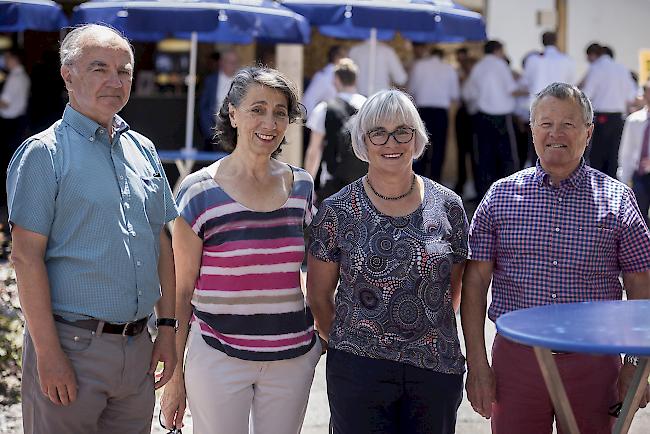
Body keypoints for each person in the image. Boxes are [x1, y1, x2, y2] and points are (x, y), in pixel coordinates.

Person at [7, 24, 178, 434]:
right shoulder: (43, 154)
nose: (115, 81)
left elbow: (161, 243)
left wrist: (168, 331)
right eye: (99, 68)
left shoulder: (143, 149)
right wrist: (48, 354)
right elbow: (25, 257)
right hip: (71, 348)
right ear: (68, 75)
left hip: (138, 351)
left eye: (124, 71)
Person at [461, 82, 650, 434]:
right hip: (516, 361)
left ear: (589, 132)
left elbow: (642, 286)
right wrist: (477, 364)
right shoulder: (500, 197)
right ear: (531, 129)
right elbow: (474, 286)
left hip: (595, 363)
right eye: (545, 124)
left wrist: (636, 366)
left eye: (568, 124)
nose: (555, 134)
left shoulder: (618, 200)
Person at [160, 66, 322, 433]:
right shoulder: (198, 191)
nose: (270, 121)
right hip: (217, 353)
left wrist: (321, 336)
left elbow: (320, 268)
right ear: (232, 113)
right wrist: (174, 378)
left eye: (280, 111)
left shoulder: (301, 186)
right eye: (257, 109)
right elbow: (181, 290)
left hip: (291, 356)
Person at [308, 89, 468, 433]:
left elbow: (451, 291)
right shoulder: (337, 210)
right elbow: (319, 297)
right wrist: (357, 343)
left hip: (434, 369)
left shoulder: (449, 206)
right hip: (358, 371)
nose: (391, 142)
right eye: (378, 132)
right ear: (363, 141)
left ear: (417, 137)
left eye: (402, 131)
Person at [462, 40, 520, 199]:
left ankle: (485, 196)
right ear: (498, 50)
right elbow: (511, 89)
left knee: (484, 157)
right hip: (502, 117)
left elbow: (468, 93)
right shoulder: (501, 65)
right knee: (507, 158)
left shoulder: (478, 67)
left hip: (482, 117)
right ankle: (509, 196)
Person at [304, 58, 367, 203]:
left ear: (336, 80)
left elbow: (314, 151)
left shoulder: (324, 109)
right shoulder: (370, 107)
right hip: (367, 184)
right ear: (355, 80)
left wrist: (308, 186)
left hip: (334, 184)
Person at [581, 43, 637, 178]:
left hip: (600, 117)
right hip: (618, 118)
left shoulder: (596, 68)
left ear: (594, 55)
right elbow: (631, 95)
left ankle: (594, 191)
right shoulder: (622, 69)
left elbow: (587, 94)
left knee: (596, 157)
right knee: (614, 156)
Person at [408, 46, 459, 182]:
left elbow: (411, 89)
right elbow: (455, 94)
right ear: (442, 56)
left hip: (422, 110)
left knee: (420, 144)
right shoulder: (449, 69)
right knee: (439, 147)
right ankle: (435, 179)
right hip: (441, 111)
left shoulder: (419, 66)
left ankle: (418, 177)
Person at [0, 47, 30, 211]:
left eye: (7, 57)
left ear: (14, 59)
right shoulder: (22, 76)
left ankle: (7, 203)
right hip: (16, 123)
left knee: (6, 164)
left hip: (9, 125)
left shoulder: (15, 77)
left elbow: (5, 103)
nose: (5, 61)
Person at [618, 80, 650, 225]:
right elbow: (627, 151)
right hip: (640, 176)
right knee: (639, 219)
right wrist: (624, 179)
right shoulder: (634, 120)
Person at [198, 49, 240, 149]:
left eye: (235, 63)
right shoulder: (210, 81)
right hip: (213, 135)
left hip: (235, 135)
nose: (233, 65)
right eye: (230, 62)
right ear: (222, 63)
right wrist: (209, 132)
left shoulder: (241, 82)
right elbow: (204, 107)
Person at [302, 45, 347, 118]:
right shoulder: (324, 76)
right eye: (346, 57)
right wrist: (313, 123)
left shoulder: (330, 75)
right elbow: (309, 100)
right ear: (337, 57)